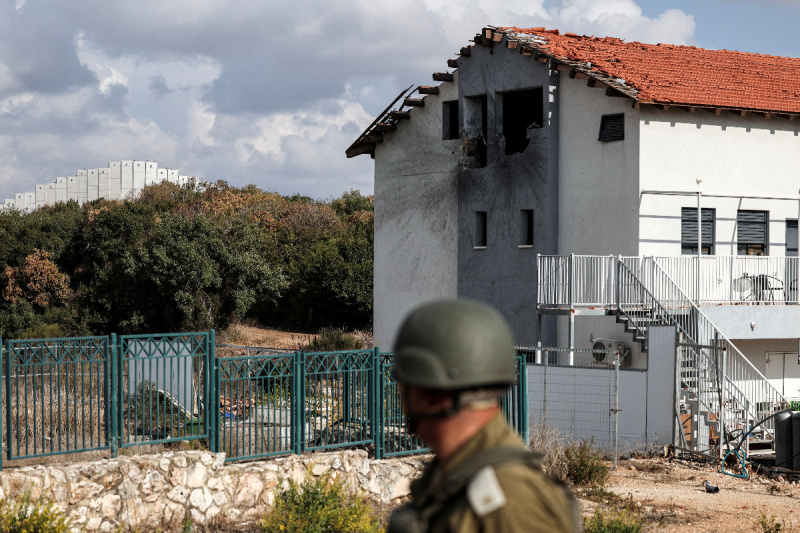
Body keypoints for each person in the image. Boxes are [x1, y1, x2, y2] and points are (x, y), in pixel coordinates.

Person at [387, 299, 579, 533]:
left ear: (429, 394)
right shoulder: (458, 475)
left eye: (405, 384)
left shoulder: (509, 502)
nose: (399, 393)